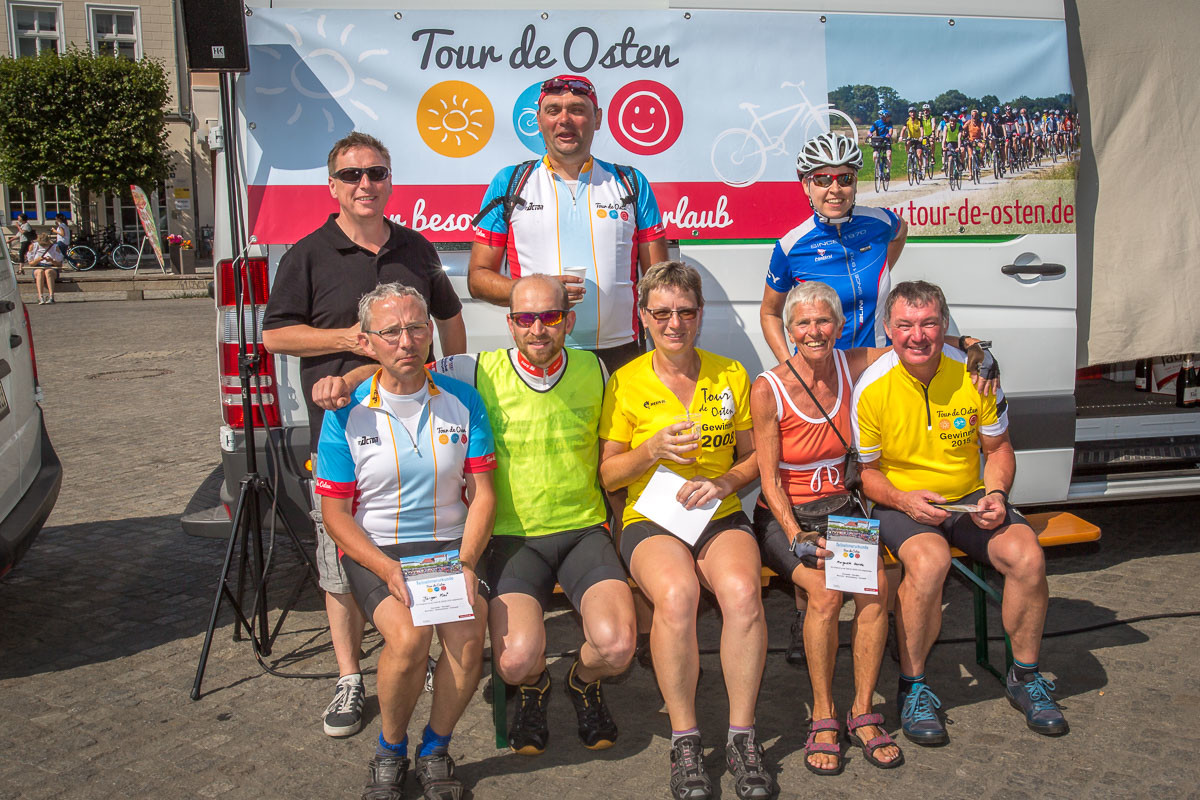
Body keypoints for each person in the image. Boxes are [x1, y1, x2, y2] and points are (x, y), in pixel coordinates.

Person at [261, 130, 468, 739]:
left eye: (375, 173)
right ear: (332, 186)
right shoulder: (307, 254)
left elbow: (449, 317)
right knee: (340, 560)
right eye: (351, 175)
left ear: (390, 182)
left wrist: (451, 380)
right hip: (343, 431)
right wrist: (349, 342)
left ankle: (418, 652)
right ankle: (349, 677)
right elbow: (275, 336)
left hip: (418, 425)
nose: (365, 184)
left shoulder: (415, 246)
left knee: (426, 541)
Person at [852, 280, 1068, 747]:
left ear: (945, 325)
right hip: (902, 501)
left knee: (1027, 556)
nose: (917, 335)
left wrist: (997, 493)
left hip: (969, 496)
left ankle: (1025, 676)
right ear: (888, 329)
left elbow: (999, 448)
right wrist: (905, 500)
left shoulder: (976, 375)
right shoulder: (871, 386)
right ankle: (913, 686)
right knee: (929, 562)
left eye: (929, 323)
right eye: (905, 325)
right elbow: (866, 474)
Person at [429, 274, 635, 755]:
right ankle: (535, 684)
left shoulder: (597, 369)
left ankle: (582, 682)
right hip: (511, 539)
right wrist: (348, 381)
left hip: (583, 531)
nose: (537, 329)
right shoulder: (474, 369)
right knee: (516, 660)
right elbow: (403, 368)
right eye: (525, 318)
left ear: (569, 321)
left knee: (618, 647)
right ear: (510, 324)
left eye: (550, 317)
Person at [600, 261, 774, 800]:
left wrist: (724, 483)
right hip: (651, 516)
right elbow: (609, 475)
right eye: (662, 313)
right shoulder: (626, 381)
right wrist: (651, 450)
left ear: (700, 315)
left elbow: (755, 459)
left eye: (685, 311)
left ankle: (742, 737)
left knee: (743, 593)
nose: (674, 323)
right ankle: (686, 739)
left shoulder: (730, 373)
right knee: (677, 596)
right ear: (643, 317)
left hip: (717, 511)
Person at [316, 283, 494, 800]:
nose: (406, 341)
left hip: (450, 546)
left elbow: (483, 495)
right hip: (379, 549)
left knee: (467, 638)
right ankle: (390, 750)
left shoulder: (463, 399)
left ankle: (435, 748)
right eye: (390, 331)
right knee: (411, 638)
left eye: (417, 327)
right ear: (367, 342)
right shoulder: (346, 410)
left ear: (430, 332)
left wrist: (466, 562)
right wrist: (386, 568)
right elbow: (335, 514)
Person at [760, 131, 907, 662]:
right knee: (824, 487)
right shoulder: (792, 244)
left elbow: (896, 247)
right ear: (805, 185)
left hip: (869, 372)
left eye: (844, 178)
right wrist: (794, 370)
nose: (834, 188)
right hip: (824, 381)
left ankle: (884, 613)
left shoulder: (883, 223)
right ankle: (810, 613)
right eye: (822, 179)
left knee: (870, 484)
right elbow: (770, 311)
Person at [750, 281, 903, 776]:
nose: (814, 331)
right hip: (787, 515)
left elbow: (911, 343)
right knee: (824, 593)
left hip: (841, 509)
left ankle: (862, 710)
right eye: (803, 323)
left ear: (839, 326)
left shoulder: (851, 364)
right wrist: (795, 534)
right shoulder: (768, 388)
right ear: (789, 330)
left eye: (823, 321)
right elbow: (769, 478)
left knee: (874, 588)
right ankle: (823, 714)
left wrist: (969, 347)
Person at [468, 74, 669, 375]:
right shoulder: (510, 183)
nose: (564, 120)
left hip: (621, 353)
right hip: (540, 350)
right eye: (553, 110)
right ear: (538, 120)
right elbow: (478, 278)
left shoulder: (631, 182)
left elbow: (660, 282)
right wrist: (539, 292)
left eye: (577, 109)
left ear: (597, 119)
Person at [28, 233, 62, 304]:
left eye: (45, 244)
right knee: (40, 272)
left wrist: (51, 260)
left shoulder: (55, 247)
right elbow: (31, 264)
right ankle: (40, 297)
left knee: (48, 272)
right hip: (38, 266)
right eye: (42, 244)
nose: (44, 246)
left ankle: (51, 296)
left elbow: (59, 264)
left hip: (51, 266)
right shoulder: (34, 246)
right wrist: (37, 260)